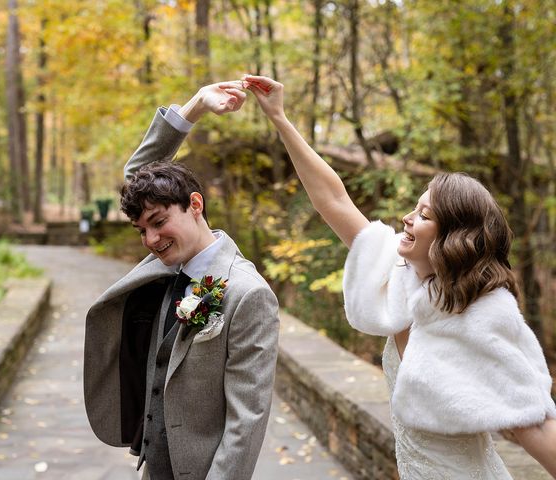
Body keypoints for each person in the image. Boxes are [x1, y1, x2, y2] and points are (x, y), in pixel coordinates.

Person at [242, 74, 556, 479]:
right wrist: (281, 119)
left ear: (453, 237)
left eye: (425, 215)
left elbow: (533, 423)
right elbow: (333, 199)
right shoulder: (401, 276)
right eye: (415, 207)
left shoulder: (483, 315)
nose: (408, 218)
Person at [83, 82, 280, 480]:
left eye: (158, 223)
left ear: (195, 204)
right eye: (142, 231)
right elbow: (140, 179)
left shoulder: (249, 293)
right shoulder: (168, 265)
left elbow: (247, 421)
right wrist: (194, 107)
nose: (151, 240)